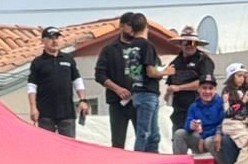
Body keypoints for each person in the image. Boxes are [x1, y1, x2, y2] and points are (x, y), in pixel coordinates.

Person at [93, 12, 162, 151]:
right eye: (130, 25)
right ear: (121, 26)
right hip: (117, 101)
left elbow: (155, 68)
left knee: (146, 136)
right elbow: (99, 74)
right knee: (118, 142)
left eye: (136, 25)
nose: (133, 28)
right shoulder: (109, 49)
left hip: (139, 98)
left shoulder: (145, 46)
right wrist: (117, 89)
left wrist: (161, 73)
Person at [27, 26, 86, 136]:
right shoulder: (38, 62)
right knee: (46, 148)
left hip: (67, 113)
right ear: (43, 41)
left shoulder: (68, 59)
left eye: (57, 38)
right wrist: (33, 108)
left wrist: (83, 100)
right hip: (45, 114)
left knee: (69, 148)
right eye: (50, 38)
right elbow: (31, 86)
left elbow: (77, 80)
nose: (55, 41)